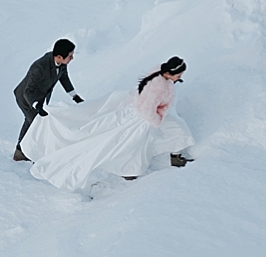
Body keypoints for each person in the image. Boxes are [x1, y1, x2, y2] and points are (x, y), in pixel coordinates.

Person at [19, 56, 195, 190]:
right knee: (120, 142)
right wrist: (156, 120)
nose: (180, 76)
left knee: (133, 142)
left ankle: (168, 158)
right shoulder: (159, 86)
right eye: (178, 74)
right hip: (142, 117)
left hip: (140, 113)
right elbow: (148, 108)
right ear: (170, 72)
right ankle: (133, 169)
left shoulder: (160, 77)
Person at [12, 39, 84, 162]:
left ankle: (24, 151)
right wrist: (36, 105)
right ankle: (26, 153)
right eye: (70, 56)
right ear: (60, 57)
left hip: (39, 98)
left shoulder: (61, 63)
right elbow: (28, 91)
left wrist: (74, 95)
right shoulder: (39, 67)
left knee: (34, 123)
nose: (72, 58)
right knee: (35, 123)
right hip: (26, 99)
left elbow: (63, 77)